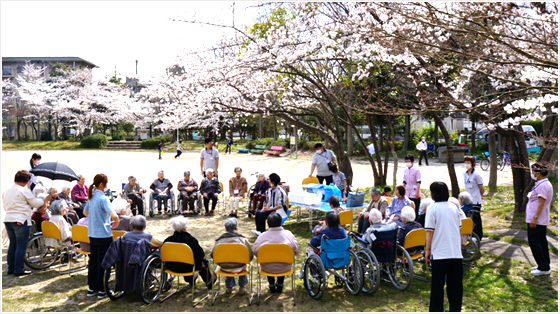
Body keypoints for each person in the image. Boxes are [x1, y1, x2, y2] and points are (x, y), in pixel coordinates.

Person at [3, 170, 53, 276]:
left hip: (8, 219)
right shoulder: (24, 190)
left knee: (13, 245)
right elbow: (35, 203)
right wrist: (45, 200)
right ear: (25, 181)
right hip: (21, 220)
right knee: (21, 246)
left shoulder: (6, 191)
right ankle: (18, 269)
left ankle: (11, 268)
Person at [425, 182, 463, 312]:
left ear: (434, 194)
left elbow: (430, 231)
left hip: (440, 252)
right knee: (455, 286)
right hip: (455, 252)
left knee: (437, 286)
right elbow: (459, 229)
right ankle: (455, 309)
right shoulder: (454, 207)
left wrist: (427, 249)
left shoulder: (432, 208)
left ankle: (436, 310)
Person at [84, 173, 120, 299]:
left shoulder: (92, 197)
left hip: (93, 234)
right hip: (104, 235)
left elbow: (85, 212)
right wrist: (116, 222)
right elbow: (114, 215)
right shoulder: (103, 198)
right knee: (104, 262)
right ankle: (101, 289)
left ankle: (92, 287)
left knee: (93, 261)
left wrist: (95, 219)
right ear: (101, 184)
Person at [163, 216, 217, 289]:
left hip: (172, 267)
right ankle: (209, 281)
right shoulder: (191, 240)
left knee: (189, 261)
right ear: (185, 228)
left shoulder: (167, 241)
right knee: (202, 261)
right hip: (188, 268)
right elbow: (200, 254)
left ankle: (191, 279)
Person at [253, 212, 299, 293]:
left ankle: (271, 284)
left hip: (266, 267)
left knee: (270, 261)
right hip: (285, 266)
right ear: (280, 221)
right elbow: (296, 250)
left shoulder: (262, 236)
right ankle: (280, 284)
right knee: (281, 260)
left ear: (268, 223)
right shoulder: (288, 234)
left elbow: (255, 251)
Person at [210, 218, 253, 295]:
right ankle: (242, 287)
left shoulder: (219, 241)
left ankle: (229, 287)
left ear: (225, 228)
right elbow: (250, 256)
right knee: (243, 264)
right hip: (240, 266)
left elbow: (212, 255)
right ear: (236, 228)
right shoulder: (242, 240)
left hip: (224, 266)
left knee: (227, 261)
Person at [526, 162, 553, 276]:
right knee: (541, 242)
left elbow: (541, 204)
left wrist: (535, 218)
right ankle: (544, 265)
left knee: (535, 242)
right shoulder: (540, 184)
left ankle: (543, 267)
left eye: (533, 171)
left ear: (538, 173)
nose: (531, 173)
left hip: (537, 220)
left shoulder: (543, 185)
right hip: (536, 219)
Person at [463, 156, 485, 240]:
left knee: (476, 219)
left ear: (473, 164)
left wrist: (481, 195)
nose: (466, 164)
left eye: (468, 163)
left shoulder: (476, 175)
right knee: (468, 219)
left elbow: (481, 188)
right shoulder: (465, 174)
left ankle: (478, 236)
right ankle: (470, 235)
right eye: (465, 162)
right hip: (467, 200)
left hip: (475, 200)